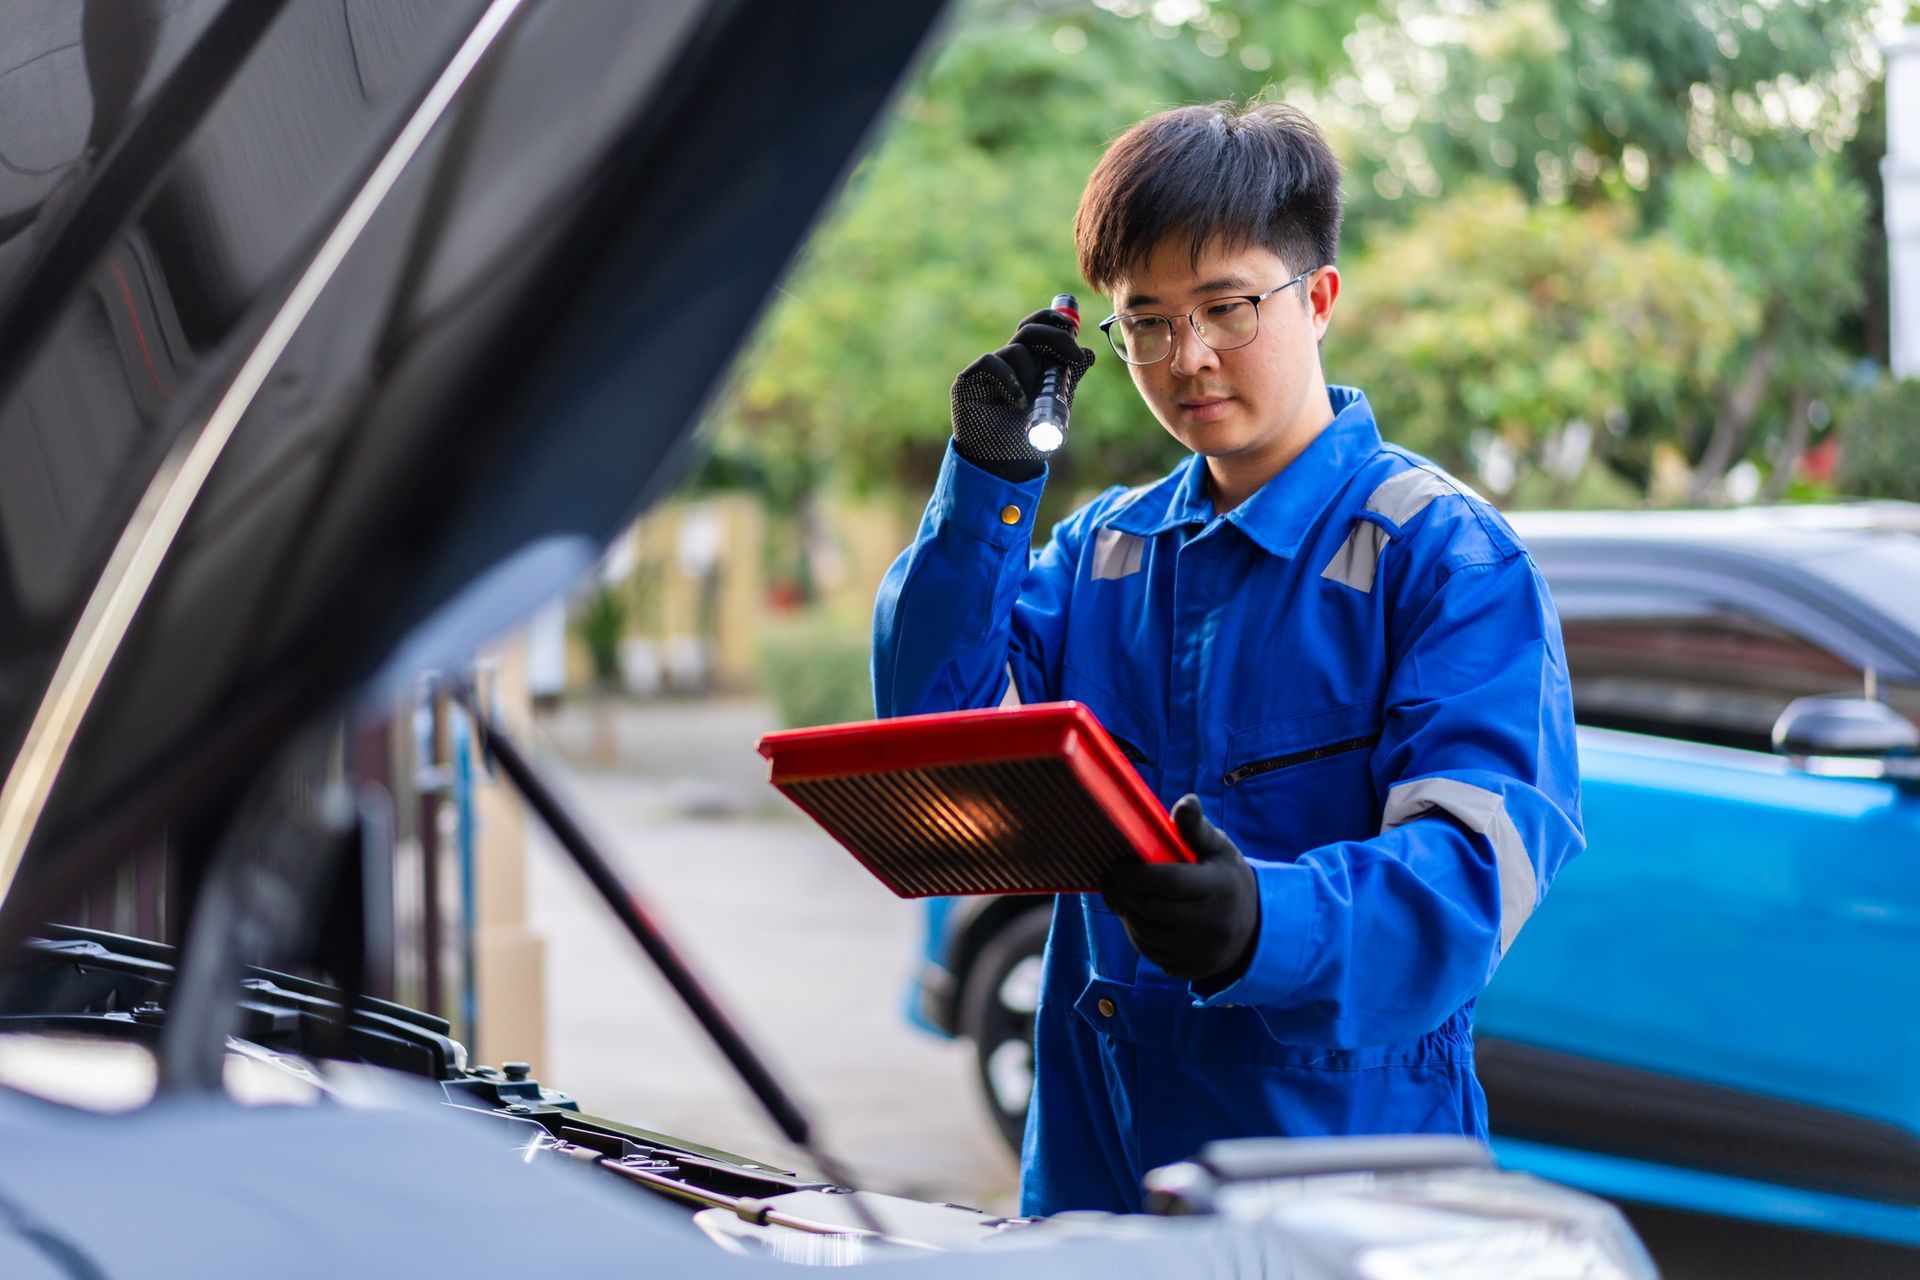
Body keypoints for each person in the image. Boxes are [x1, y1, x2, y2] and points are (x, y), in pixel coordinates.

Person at [871, 101, 1582, 1217]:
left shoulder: (1445, 558)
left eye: (1227, 306)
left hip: (1341, 1194)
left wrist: (1268, 920)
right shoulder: (1104, 552)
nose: (1188, 355)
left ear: (1322, 298)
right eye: (1144, 319)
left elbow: (1474, 878)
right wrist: (985, 484)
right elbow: (925, 732)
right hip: (1097, 1189)